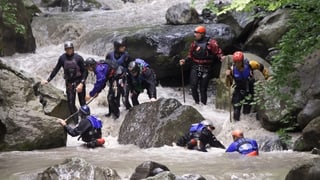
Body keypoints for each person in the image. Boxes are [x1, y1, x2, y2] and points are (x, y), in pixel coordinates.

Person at [43, 41, 88, 124]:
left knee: (82, 102)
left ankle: (85, 121)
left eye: (70, 49)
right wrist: (48, 80)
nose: (69, 50)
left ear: (73, 49)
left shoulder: (79, 58)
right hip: (69, 84)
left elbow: (85, 72)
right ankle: (76, 122)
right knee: (71, 104)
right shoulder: (62, 58)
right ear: (65, 50)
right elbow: (56, 69)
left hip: (79, 83)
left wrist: (82, 83)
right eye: (67, 49)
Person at [179, 25, 223, 105]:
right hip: (195, 67)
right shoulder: (194, 43)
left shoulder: (211, 43)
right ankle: (197, 102)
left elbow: (218, 53)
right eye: (194, 33)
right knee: (193, 87)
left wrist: (222, 58)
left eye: (196, 33)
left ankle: (203, 105)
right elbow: (190, 55)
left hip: (206, 68)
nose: (195, 35)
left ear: (202, 34)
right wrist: (184, 60)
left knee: (203, 89)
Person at [225, 51, 269, 121]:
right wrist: (228, 76)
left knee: (246, 112)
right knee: (236, 111)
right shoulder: (232, 69)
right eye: (235, 62)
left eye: (239, 62)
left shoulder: (251, 64)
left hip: (249, 90)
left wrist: (267, 78)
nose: (237, 64)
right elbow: (228, 84)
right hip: (239, 90)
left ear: (242, 61)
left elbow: (262, 68)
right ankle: (236, 125)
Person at [106, 38, 135, 109]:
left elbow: (132, 68)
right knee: (111, 98)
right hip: (113, 79)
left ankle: (131, 112)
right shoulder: (109, 55)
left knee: (124, 99)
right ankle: (113, 113)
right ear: (117, 47)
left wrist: (133, 84)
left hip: (124, 79)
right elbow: (107, 67)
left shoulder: (127, 56)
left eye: (124, 46)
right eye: (122, 46)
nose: (124, 47)